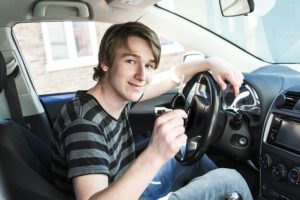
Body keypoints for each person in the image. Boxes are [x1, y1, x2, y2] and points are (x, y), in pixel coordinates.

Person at [51, 21, 253, 200]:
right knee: (230, 181)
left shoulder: (115, 96)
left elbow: (175, 74)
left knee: (185, 153)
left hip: (124, 186)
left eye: (148, 65)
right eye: (131, 61)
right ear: (105, 62)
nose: (142, 75)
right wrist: (156, 153)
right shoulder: (84, 123)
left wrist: (211, 62)